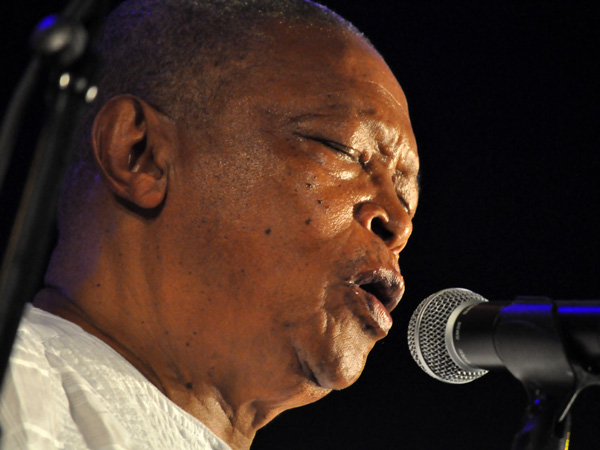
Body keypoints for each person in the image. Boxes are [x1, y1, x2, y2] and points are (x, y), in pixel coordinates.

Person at [0, 0, 420, 448]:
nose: (398, 223)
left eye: (408, 201)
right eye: (340, 148)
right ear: (139, 153)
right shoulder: (18, 386)